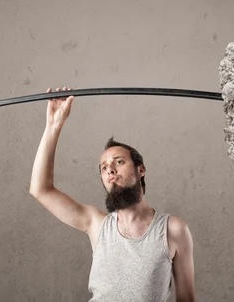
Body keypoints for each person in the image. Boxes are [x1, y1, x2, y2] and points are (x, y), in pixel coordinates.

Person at [29, 86, 196, 302]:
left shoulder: (173, 229)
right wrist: (53, 125)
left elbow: (187, 299)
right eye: (104, 167)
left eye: (119, 162)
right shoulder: (96, 224)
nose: (110, 169)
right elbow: (40, 189)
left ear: (141, 169)